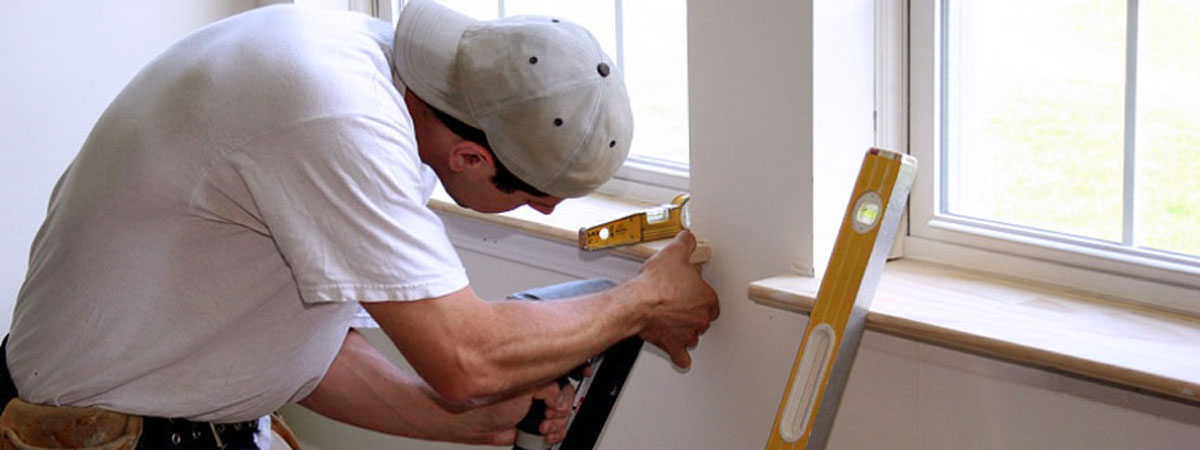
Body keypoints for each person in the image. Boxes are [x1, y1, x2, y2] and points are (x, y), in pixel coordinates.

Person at [1, 1, 719, 449]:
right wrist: (642, 302)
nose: (547, 213)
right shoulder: (334, 113)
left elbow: (302, 346)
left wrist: (455, 422)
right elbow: (465, 361)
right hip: (90, 434)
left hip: (187, 423)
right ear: (472, 154)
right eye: (536, 197)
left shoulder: (390, 93)